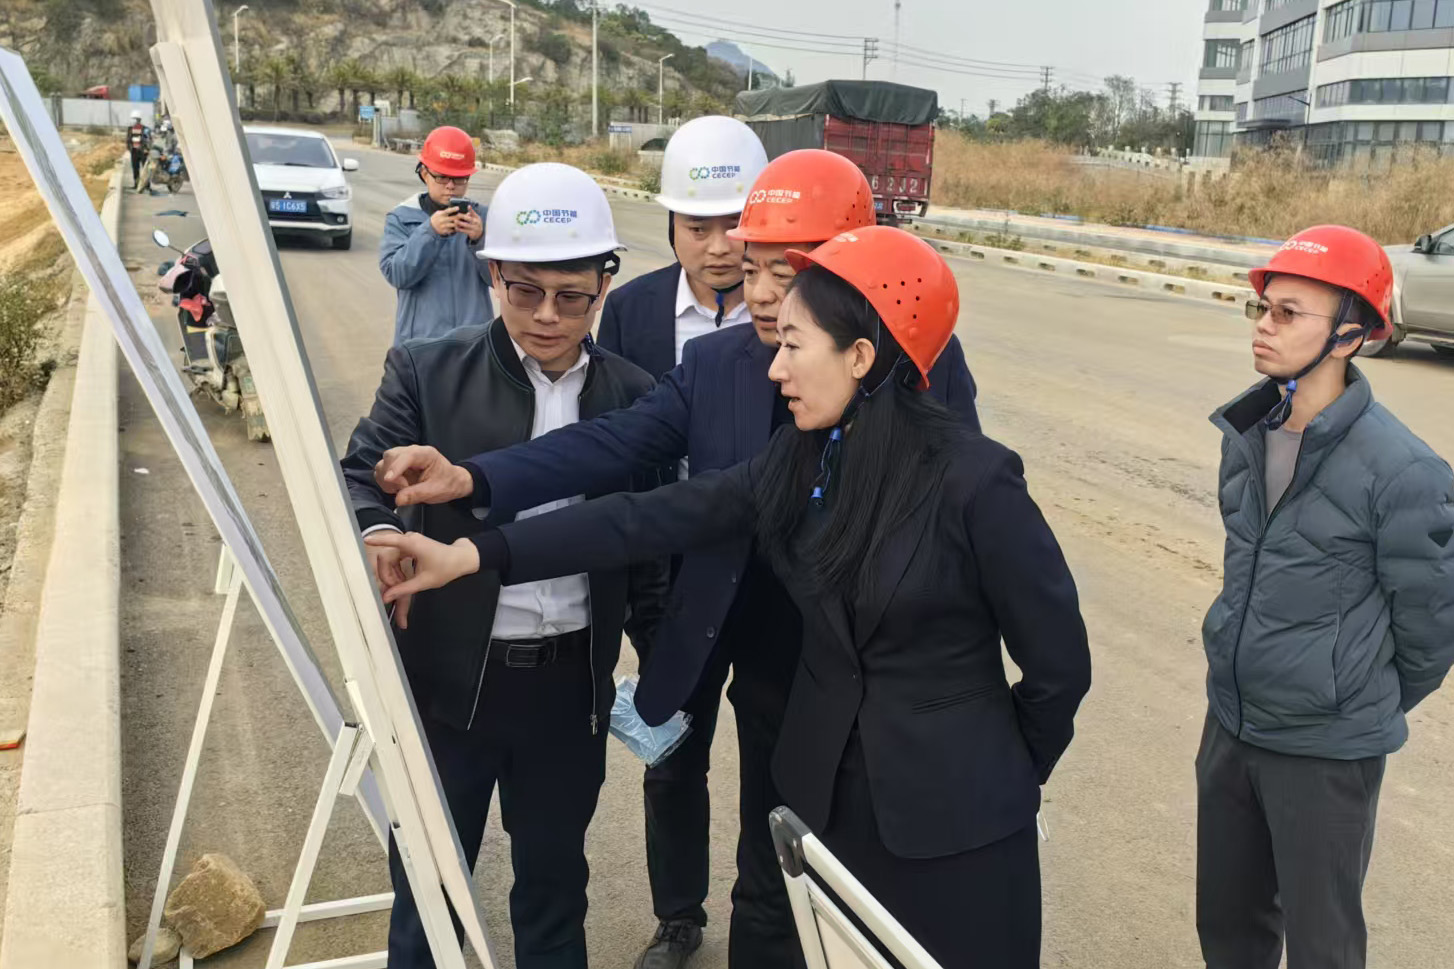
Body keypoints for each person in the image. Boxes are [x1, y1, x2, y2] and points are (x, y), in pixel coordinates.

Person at [370, 226, 1090, 967]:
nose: (774, 366)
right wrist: (473, 553)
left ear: (860, 356)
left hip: (958, 829)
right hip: (829, 804)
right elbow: (644, 517)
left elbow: (1059, 667)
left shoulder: (975, 481)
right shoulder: (804, 457)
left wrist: (998, 772)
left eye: (793, 345)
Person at [341, 162, 668, 969]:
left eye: (572, 296)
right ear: (493, 275)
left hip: (567, 691)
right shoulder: (426, 370)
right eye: (524, 291)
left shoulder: (635, 397)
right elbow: (359, 474)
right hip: (450, 682)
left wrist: (663, 671)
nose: (547, 315)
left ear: (604, 283)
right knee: (429, 893)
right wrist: (380, 532)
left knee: (554, 896)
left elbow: (648, 547)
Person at [1195, 225, 1454, 969]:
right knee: (1227, 930)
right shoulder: (1246, 433)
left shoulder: (1404, 472)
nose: (1265, 326)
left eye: (1288, 312)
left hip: (1324, 752)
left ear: (1349, 335)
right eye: (1263, 308)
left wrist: (1347, 693)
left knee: (1323, 945)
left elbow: (1431, 629)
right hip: (1232, 725)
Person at [597, 115, 768, 382]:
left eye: (735, 226)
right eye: (698, 229)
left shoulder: (793, 308)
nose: (719, 248)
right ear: (672, 226)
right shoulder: (628, 310)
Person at [379, 125, 495, 345]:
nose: (450, 186)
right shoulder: (402, 217)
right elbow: (397, 275)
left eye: (459, 178)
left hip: (474, 345)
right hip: (420, 345)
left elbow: (502, 282)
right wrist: (429, 232)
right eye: (442, 177)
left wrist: (480, 240)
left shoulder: (482, 218)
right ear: (425, 174)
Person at [124, 109, 150, 188]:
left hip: (143, 151)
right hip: (134, 151)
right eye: (134, 119)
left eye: (136, 119)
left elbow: (148, 140)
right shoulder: (130, 129)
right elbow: (128, 140)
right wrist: (130, 148)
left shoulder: (145, 129)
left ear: (139, 119)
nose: (135, 121)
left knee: (145, 168)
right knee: (135, 168)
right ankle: (136, 184)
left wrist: (147, 149)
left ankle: (147, 185)